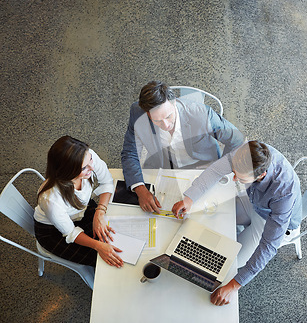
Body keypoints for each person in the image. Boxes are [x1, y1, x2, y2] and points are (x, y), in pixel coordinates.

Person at [172, 141, 302, 306]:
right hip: (255, 202)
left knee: (229, 264)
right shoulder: (248, 153)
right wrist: (189, 198)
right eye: (234, 172)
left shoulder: (284, 192)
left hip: (271, 222)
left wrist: (234, 286)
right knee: (215, 216)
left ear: (261, 175)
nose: (233, 178)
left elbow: (268, 246)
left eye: (240, 177)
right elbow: (215, 170)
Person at [121, 81, 245, 214]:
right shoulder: (137, 113)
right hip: (166, 168)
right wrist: (140, 189)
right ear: (147, 113)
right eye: (157, 121)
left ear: (174, 103)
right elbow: (130, 152)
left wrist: (220, 168)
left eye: (169, 116)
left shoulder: (201, 113)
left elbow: (237, 140)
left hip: (203, 167)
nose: (166, 125)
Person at [34, 136, 123, 268]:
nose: (92, 168)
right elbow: (70, 232)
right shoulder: (50, 199)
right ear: (67, 172)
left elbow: (107, 181)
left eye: (91, 160)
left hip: (81, 209)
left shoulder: (86, 156)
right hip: (53, 231)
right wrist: (98, 246)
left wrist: (99, 213)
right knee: (100, 258)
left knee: (115, 236)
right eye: (84, 168)